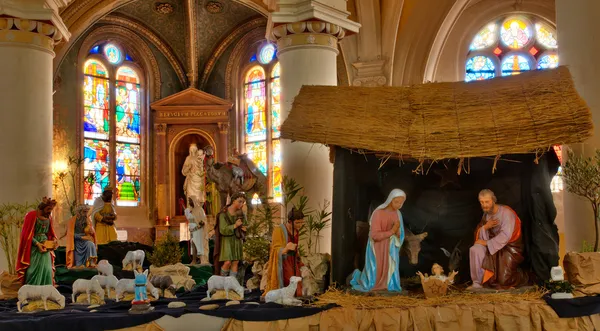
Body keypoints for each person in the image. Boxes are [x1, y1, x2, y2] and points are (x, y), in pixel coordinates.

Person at [468, 189, 528, 290]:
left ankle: (524, 276)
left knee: (504, 280)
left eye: (487, 202)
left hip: (509, 248)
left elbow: (505, 236)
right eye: (482, 202)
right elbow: (480, 233)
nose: (484, 205)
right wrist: (485, 227)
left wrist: (486, 243)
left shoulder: (506, 213)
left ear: (493, 200)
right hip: (493, 247)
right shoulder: (486, 215)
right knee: (475, 249)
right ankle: (477, 282)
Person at [350, 189, 406, 292]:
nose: (399, 205)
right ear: (390, 199)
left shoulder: (398, 214)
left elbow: (400, 234)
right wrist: (392, 231)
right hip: (378, 247)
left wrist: (397, 232)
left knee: (389, 270)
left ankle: (389, 285)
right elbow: (374, 235)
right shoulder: (378, 213)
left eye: (401, 202)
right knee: (377, 270)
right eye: (396, 202)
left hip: (391, 248)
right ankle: (368, 281)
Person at [15, 197, 58, 285]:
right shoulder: (31, 215)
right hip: (33, 247)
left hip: (45, 246)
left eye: (51, 209)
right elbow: (26, 234)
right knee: (32, 271)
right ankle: (32, 293)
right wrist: (37, 243)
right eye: (48, 209)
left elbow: (50, 232)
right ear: (42, 207)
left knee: (47, 269)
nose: (50, 211)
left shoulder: (49, 217)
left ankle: (46, 291)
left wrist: (53, 241)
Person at [264, 207, 305, 297]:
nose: (300, 225)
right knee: (289, 281)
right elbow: (275, 248)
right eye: (297, 222)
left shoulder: (296, 231)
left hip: (293, 260)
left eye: (302, 222)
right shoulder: (279, 230)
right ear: (290, 221)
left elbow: (295, 247)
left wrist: (299, 261)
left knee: (298, 285)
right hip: (284, 261)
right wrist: (286, 248)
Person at [212, 192, 246, 281]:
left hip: (237, 240)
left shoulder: (241, 213)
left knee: (235, 262)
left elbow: (246, 224)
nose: (241, 204)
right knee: (227, 262)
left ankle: (232, 284)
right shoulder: (223, 214)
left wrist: (245, 228)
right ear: (233, 201)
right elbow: (222, 229)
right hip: (226, 240)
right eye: (239, 201)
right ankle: (222, 283)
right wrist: (235, 225)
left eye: (243, 202)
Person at [66, 204, 98, 269]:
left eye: (87, 212)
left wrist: (91, 231)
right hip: (77, 243)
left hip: (86, 242)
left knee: (90, 244)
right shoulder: (72, 221)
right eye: (84, 212)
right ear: (79, 212)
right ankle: (79, 264)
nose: (86, 214)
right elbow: (71, 235)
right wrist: (81, 237)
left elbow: (91, 233)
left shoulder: (87, 220)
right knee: (79, 265)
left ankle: (90, 262)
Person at [184, 196, 206, 265]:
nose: (189, 202)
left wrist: (198, 227)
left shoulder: (200, 210)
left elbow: (203, 220)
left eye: (190, 200)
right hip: (192, 230)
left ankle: (201, 260)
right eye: (188, 200)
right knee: (193, 244)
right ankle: (194, 260)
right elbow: (188, 218)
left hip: (198, 230)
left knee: (198, 244)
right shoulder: (189, 210)